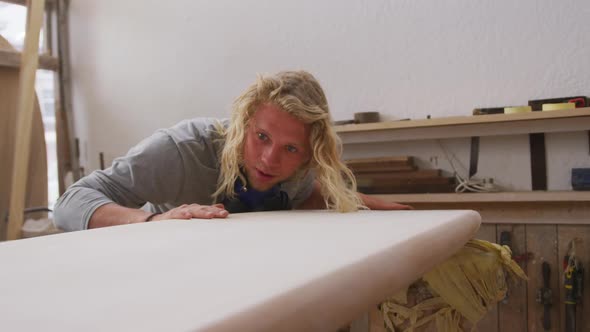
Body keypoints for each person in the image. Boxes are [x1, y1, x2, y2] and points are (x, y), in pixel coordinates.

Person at [54, 70, 411, 231]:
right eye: (261, 137)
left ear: (309, 155)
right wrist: (152, 221)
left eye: (290, 148)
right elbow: (70, 201)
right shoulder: (182, 149)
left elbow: (306, 193)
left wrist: (359, 201)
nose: (270, 160)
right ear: (243, 124)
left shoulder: (300, 173)